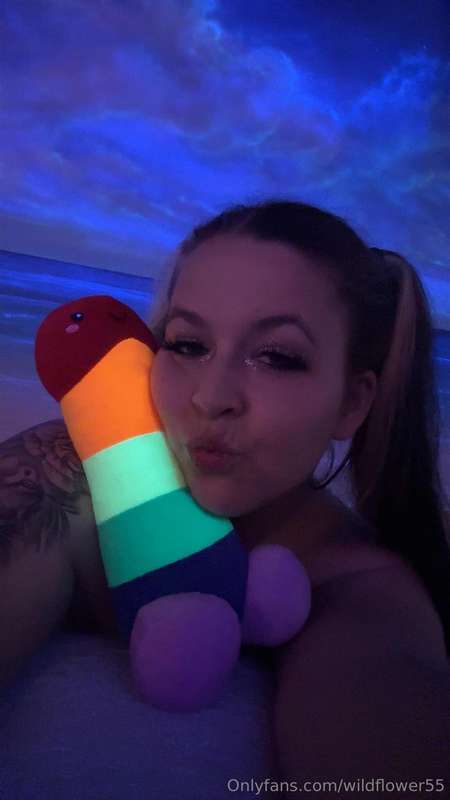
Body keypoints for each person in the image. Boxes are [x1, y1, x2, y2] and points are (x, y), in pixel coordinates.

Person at [1, 199, 449, 795]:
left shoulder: (359, 590)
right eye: (188, 344)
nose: (211, 398)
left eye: (277, 357)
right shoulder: (81, 469)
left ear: (351, 403)